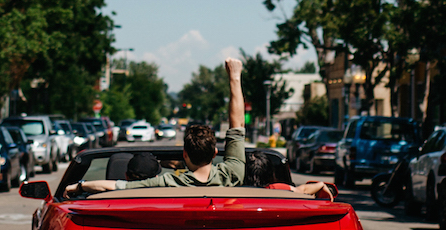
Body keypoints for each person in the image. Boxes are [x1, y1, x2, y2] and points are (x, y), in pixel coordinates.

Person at [81, 58, 331, 197]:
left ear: (184, 154)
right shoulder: (232, 173)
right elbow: (237, 127)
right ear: (214, 153)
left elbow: (115, 186)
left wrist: (78, 186)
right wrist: (235, 77)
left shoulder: (169, 183)